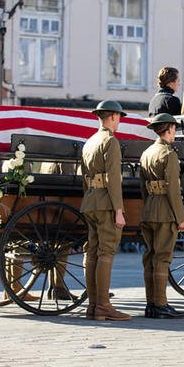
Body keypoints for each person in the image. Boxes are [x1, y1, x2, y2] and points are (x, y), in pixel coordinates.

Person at [80, 100, 131, 321]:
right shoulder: (110, 141)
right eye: (119, 117)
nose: (119, 121)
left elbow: (84, 177)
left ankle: (93, 305)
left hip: (90, 201)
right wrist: (119, 210)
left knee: (92, 252)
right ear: (112, 117)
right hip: (106, 203)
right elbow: (113, 180)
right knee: (106, 252)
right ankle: (103, 305)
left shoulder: (89, 142)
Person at [139, 113, 184, 319]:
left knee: (150, 257)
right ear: (168, 129)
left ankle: (151, 304)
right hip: (166, 212)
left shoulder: (147, 152)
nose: (175, 132)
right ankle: (160, 304)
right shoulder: (169, 154)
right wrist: (180, 217)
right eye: (174, 128)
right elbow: (173, 190)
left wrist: (149, 203)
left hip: (149, 208)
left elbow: (142, 186)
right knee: (162, 259)